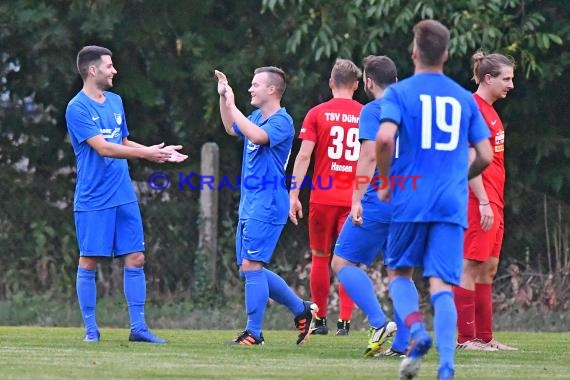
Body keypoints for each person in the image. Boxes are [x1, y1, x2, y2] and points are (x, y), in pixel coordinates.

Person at [375, 20, 493, 380]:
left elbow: (383, 140)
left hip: (410, 197)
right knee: (442, 284)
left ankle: (415, 330)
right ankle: (446, 368)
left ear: (414, 53)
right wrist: (457, 178)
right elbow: (485, 155)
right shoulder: (462, 97)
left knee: (398, 273)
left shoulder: (399, 93)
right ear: (446, 54)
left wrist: (384, 181)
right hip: (449, 204)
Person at [65, 45, 188, 343]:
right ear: (93, 70)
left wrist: (157, 151)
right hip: (94, 198)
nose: (114, 70)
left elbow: (122, 141)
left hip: (123, 193)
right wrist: (147, 155)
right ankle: (91, 330)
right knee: (90, 260)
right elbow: (104, 147)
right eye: (109, 66)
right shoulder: (77, 107)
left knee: (136, 258)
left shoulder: (116, 101)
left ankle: (139, 328)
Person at [214, 67, 317, 346]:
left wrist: (233, 104)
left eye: (255, 84)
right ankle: (301, 309)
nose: (251, 89)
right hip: (250, 203)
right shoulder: (257, 116)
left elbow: (258, 137)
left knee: (252, 265)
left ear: (272, 90)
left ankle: (254, 333)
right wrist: (225, 100)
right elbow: (230, 127)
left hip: (269, 203)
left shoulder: (282, 122)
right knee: (247, 268)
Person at [331, 55, 402, 357]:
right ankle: (403, 345)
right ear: (396, 79)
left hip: (380, 199)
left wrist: (356, 198)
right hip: (411, 200)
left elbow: (370, 156)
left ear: (369, 82)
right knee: (400, 273)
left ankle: (378, 322)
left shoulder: (374, 110)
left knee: (342, 262)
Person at [289, 59, 362, 335]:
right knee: (348, 259)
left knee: (320, 257)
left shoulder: (317, 113)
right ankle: (344, 322)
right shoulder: (366, 113)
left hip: (322, 197)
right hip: (354, 198)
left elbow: (305, 155)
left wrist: (293, 194)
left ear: (331, 82)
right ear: (356, 85)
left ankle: (319, 321)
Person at [454, 52, 516, 351]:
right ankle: (466, 340)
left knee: (488, 267)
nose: (511, 85)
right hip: (478, 199)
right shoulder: (473, 109)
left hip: (494, 199)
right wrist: (481, 200)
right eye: (506, 78)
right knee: (470, 265)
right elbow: (468, 159)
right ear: (488, 78)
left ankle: (485, 337)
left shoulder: (490, 111)